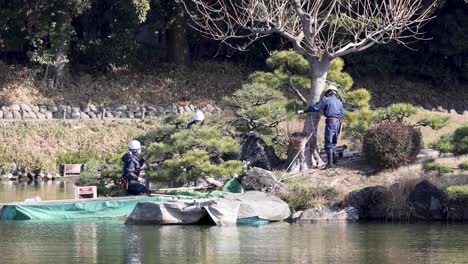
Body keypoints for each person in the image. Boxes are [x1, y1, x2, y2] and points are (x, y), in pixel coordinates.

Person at [298, 84, 343, 169]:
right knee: (333, 141)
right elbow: (341, 113)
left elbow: (316, 107)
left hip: (331, 122)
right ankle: (334, 160)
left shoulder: (327, 100)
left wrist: (304, 110)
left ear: (329, 92)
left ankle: (330, 164)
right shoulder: (339, 102)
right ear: (335, 93)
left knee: (328, 141)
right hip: (339, 122)